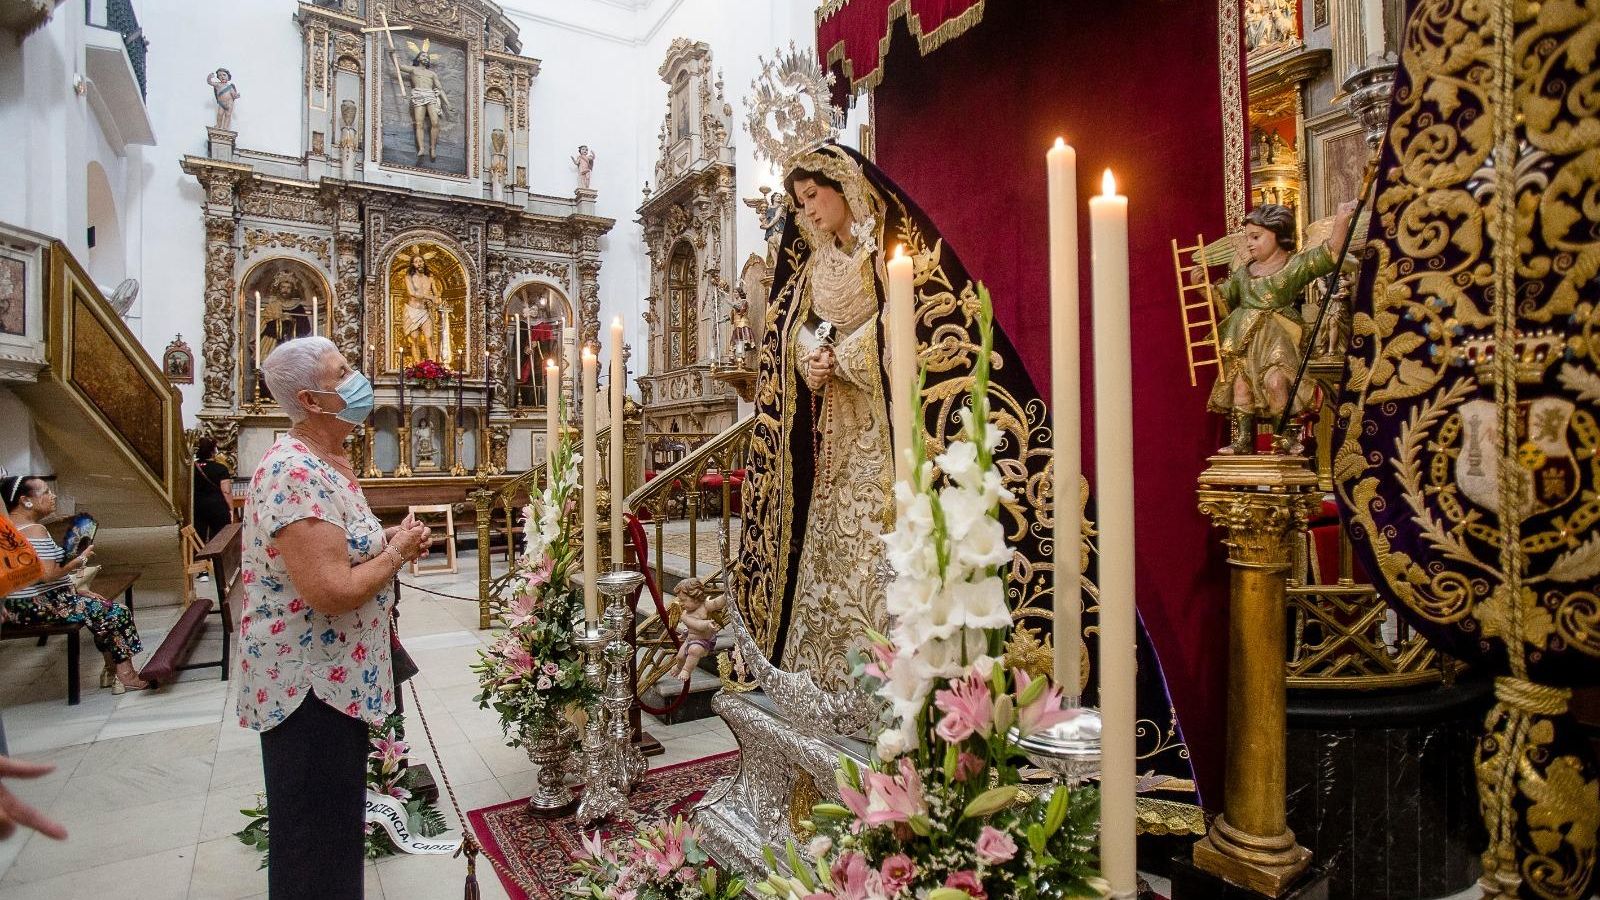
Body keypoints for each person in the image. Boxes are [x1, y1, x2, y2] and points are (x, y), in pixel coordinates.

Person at [240, 336, 431, 900]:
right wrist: (395, 556)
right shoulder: (293, 472)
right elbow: (330, 589)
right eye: (342, 372)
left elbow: (341, 547)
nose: (357, 379)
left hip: (333, 679)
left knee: (331, 833)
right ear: (311, 399)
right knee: (314, 848)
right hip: (308, 690)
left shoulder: (325, 463)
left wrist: (388, 538)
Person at [1207, 200, 1356, 454]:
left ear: (1277, 234)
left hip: (1278, 339)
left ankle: (1284, 436)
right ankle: (1243, 440)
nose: (1250, 244)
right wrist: (1204, 289)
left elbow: (1330, 254)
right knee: (1241, 386)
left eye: (1256, 237)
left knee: (1276, 383)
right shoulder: (1244, 273)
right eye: (1247, 238)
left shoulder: (1293, 266)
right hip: (1244, 340)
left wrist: (1342, 219)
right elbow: (1225, 297)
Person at [2, 475, 149, 693]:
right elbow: (48, 575)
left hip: (19, 606)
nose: (53, 496)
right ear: (26, 500)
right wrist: (80, 559)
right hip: (41, 605)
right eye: (45, 492)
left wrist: (76, 591)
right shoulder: (34, 530)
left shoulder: (7, 529)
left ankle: (112, 671)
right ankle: (126, 675)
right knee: (118, 613)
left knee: (100, 610)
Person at [191, 436, 233, 544]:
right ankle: (217, 560)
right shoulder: (220, 468)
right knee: (220, 539)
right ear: (213, 451)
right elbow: (226, 491)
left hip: (197, 507)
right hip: (217, 507)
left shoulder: (191, 467)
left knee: (198, 538)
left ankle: (199, 558)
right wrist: (231, 509)